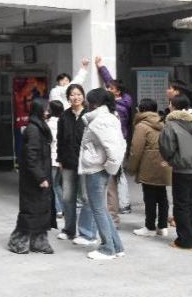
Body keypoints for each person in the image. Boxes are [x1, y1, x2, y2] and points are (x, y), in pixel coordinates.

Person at [79, 88, 127, 260]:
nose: (86, 103)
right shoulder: (108, 117)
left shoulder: (101, 120)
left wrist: (110, 167)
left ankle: (107, 249)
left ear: (95, 103)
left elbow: (114, 149)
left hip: (96, 169)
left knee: (98, 209)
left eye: (88, 100)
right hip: (99, 167)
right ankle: (116, 246)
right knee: (102, 209)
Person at [159, 94, 192, 250]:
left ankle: (185, 241)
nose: (169, 105)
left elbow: (166, 147)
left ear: (173, 106)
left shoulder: (171, 124)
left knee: (181, 205)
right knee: (190, 204)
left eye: (170, 103)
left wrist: (170, 159)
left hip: (182, 169)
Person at [8, 98, 55, 255]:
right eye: (45, 109)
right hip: (33, 178)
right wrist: (40, 177)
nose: (48, 112)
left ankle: (39, 241)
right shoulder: (33, 129)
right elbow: (31, 156)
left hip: (40, 174)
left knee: (42, 210)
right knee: (30, 211)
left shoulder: (39, 126)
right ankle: (18, 241)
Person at [55, 84, 97, 245]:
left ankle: (87, 233)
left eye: (79, 94)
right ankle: (69, 230)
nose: (76, 97)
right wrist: (60, 159)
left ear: (83, 97)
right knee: (68, 197)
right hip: (68, 162)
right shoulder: (64, 116)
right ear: (68, 98)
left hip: (86, 163)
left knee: (86, 197)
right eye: (72, 94)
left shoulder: (90, 115)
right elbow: (59, 140)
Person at [126, 98, 171, 237]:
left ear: (142, 109)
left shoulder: (142, 126)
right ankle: (162, 226)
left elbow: (136, 150)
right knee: (162, 195)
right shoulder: (163, 122)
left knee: (149, 196)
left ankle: (149, 227)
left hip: (149, 165)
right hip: (164, 163)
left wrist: (131, 168)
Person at [94, 56, 133, 215]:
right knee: (117, 173)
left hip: (118, 142)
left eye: (110, 88)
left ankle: (124, 204)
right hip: (118, 141)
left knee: (119, 173)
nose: (107, 88)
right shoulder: (124, 99)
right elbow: (109, 80)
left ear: (117, 92)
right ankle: (122, 204)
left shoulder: (119, 107)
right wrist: (101, 66)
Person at [47, 100, 65, 217]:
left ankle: (58, 209)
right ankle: (64, 207)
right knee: (57, 184)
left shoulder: (50, 124)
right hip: (61, 157)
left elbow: (50, 140)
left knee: (52, 184)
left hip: (53, 156)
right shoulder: (63, 121)